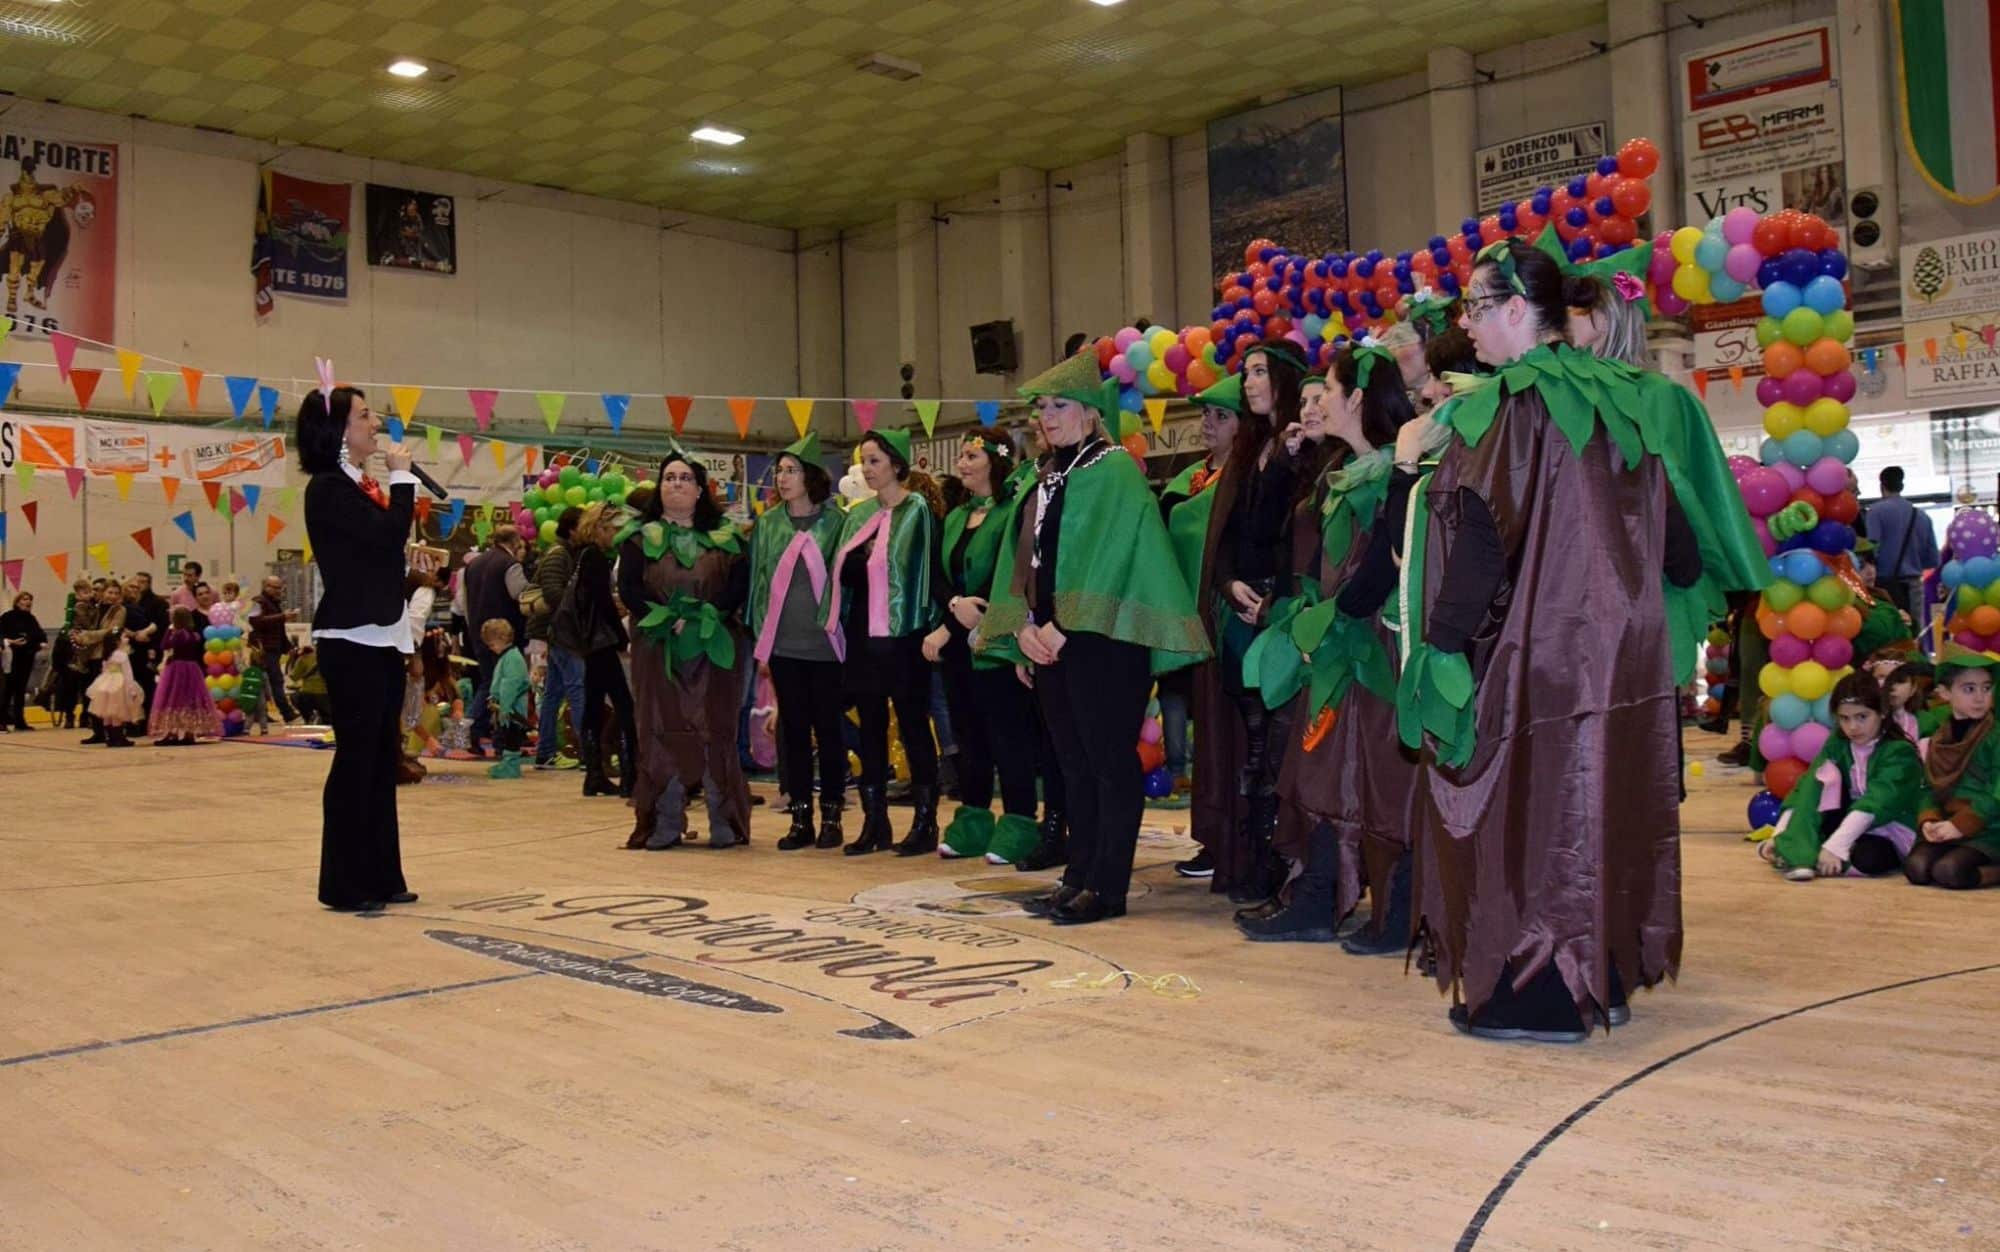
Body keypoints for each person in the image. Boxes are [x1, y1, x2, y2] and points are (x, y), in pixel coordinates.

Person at [1400, 237, 1759, 1041]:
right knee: (1614, 802)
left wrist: (1445, 646)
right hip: (1625, 651)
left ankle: (1541, 994)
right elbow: (1679, 548)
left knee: (1537, 812)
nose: (1466, 323)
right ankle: (1610, 975)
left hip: (1550, 644)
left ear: (1517, 311)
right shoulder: (1627, 394)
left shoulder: (1510, 403)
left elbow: (1485, 537)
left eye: (1474, 307)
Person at [980, 351, 1209, 924]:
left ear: (1090, 412)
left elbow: (1116, 556)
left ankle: (1108, 888)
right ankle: (1078, 874)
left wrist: (1064, 627)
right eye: (1041, 409)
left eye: (1058, 406)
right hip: (1051, 640)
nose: (1047, 417)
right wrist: (1023, 633)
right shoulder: (1047, 474)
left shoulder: (1113, 469)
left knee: (1109, 761)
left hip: (1104, 642)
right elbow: (1025, 560)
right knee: (1070, 764)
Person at [1239, 340, 1422, 944]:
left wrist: (1334, 619)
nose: (1319, 401)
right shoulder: (1346, 472)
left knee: (1386, 777)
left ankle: (1399, 908)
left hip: (1380, 646)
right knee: (1324, 770)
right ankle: (1321, 893)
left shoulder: (1402, 467)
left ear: (1359, 399)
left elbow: (1388, 566)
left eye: (1332, 391)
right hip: (1342, 641)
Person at [1188, 336, 1308, 902]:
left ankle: (1279, 867)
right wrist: (1228, 580)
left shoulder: (1304, 447)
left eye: (1260, 371)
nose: (1250, 382)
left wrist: (1274, 601)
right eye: (1247, 373)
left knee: (1277, 748)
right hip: (1241, 612)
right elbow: (1232, 533)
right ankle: (1254, 862)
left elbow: (1291, 534)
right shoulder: (1249, 452)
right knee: (1255, 746)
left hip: (1280, 614)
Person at [300, 383, 419, 914]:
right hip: (350, 639)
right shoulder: (327, 488)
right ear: (339, 430)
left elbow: (381, 548)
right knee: (355, 759)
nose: (377, 424)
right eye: (366, 416)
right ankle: (344, 882)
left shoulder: (359, 484)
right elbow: (385, 536)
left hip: (384, 634)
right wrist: (403, 478)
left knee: (380, 759)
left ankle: (382, 873)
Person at [619, 448, 752, 850]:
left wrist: (705, 615)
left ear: (699, 490)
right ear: (659, 489)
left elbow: (738, 584)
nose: (675, 484)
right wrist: (666, 616)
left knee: (715, 727)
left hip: (714, 646)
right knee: (661, 728)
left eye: (684, 478)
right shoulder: (638, 538)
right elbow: (629, 587)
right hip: (659, 647)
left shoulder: (727, 537)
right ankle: (665, 820)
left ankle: (723, 818)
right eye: (668, 478)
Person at [925, 430, 1044, 864]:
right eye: (960, 455)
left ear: (995, 461)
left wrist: (957, 623)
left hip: (999, 642)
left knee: (1007, 736)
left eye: (971, 455)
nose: (961, 463)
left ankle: (1019, 822)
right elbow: (942, 579)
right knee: (968, 735)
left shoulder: (1013, 513)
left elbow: (1006, 579)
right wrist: (951, 610)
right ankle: (973, 820)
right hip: (960, 646)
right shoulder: (956, 515)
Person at [824, 428, 944, 856]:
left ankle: (925, 821)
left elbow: (925, 571)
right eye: (864, 461)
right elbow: (845, 573)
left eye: (875, 461)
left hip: (905, 635)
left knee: (913, 724)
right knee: (870, 726)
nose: (868, 469)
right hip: (864, 635)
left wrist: (932, 624)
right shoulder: (858, 515)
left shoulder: (918, 510)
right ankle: (875, 821)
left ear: (896, 464)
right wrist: (863, 557)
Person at [747, 432, 849, 850]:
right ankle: (801, 819)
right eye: (779, 471)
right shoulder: (769, 524)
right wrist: (761, 642)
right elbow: (758, 581)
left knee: (829, 730)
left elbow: (850, 585)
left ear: (810, 477)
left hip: (826, 647)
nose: (783, 478)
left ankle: (833, 817)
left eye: (791, 470)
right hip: (785, 646)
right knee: (793, 730)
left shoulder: (838, 523)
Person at [1156, 388, 1240, 799]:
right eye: (1206, 414)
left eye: (1221, 416)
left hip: (1225, 614)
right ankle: (1181, 772)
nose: (1208, 422)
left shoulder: (1245, 479)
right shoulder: (1186, 481)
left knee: (1225, 722)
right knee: (1178, 696)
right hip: (1183, 613)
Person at [1760, 671, 1921, 881]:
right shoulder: (1838, 743)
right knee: (1819, 780)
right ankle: (1798, 850)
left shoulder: (1899, 752)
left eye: (1862, 717)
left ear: (1882, 712)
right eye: (1844, 718)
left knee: (1868, 858)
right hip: (1849, 819)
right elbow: (1808, 789)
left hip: (1889, 825)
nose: (1853, 727)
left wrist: (1836, 847)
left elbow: (1877, 802)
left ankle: (1820, 855)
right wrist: (1781, 834)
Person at [1904, 646, 2000, 890]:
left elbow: (1996, 796)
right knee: (1916, 868)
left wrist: (1960, 825)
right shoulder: (1938, 738)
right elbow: (1927, 787)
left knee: (1950, 872)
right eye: (1969, 689)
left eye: (1986, 688)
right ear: (1944, 693)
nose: (1980, 697)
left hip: (1989, 827)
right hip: (1949, 824)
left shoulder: (1995, 736)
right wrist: (1929, 820)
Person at [559, 500, 636, 801]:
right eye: (612, 529)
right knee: (625, 706)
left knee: (592, 705)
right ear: (601, 528)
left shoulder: (580, 554)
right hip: (601, 642)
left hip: (589, 642)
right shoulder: (595, 558)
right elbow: (603, 604)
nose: (615, 536)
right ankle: (630, 775)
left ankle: (594, 774)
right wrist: (621, 638)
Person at [462, 525, 529, 756]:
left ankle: (474, 728)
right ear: (514, 542)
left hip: (480, 632)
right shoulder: (510, 565)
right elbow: (520, 594)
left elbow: (465, 602)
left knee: (488, 681)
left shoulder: (473, 565)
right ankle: (499, 738)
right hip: (505, 634)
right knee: (505, 685)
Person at [532, 507, 587, 770]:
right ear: (573, 528)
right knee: (576, 690)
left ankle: (545, 751)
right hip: (561, 633)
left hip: (556, 633)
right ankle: (588, 754)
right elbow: (554, 595)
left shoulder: (566, 553)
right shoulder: (559, 555)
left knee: (553, 694)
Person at [1865, 466, 1938, 630]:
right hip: (1913, 587)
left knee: (1890, 634)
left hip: (1883, 587)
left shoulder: (1876, 512)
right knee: (1914, 632)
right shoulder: (1922, 516)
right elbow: (1932, 559)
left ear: (1882, 486)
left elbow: (1872, 547)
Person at [146, 606, 222, 746]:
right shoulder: (194, 635)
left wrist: (169, 631)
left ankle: (172, 733)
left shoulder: (178, 634)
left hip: (177, 669)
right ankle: (189, 733)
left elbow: (164, 645)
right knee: (189, 700)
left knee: (174, 700)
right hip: (192, 668)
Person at [72, 579, 125, 743]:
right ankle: (97, 730)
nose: (113, 596)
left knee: (109, 696)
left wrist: (87, 636)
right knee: (92, 695)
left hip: (108, 656)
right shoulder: (94, 608)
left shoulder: (120, 610)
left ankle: (113, 731)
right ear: (103, 593)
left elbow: (111, 631)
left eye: (116, 593)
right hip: (91, 656)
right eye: (110, 592)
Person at [246, 575, 300, 726]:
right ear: (266, 586)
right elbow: (256, 622)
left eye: (280, 588)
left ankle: (259, 714)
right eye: (275, 588)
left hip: (272, 648)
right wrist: (282, 616)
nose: (278, 591)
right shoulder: (257, 602)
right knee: (275, 682)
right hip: (263, 650)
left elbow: (278, 630)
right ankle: (287, 713)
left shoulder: (273, 603)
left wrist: (289, 647)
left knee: (262, 685)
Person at [482, 618, 530, 778]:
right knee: (506, 735)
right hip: (506, 706)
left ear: (502, 639)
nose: (492, 649)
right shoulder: (507, 656)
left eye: (492, 645)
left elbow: (510, 684)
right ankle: (507, 763)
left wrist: (505, 706)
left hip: (512, 707)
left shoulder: (512, 658)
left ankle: (512, 766)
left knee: (512, 737)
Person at [85, 639, 143, 748]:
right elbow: (128, 673)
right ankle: (119, 737)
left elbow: (104, 669)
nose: (127, 639)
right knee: (118, 710)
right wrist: (132, 689)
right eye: (124, 637)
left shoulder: (107, 654)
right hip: (119, 683)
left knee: (107, 711)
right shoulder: (122, 655)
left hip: (105, 682)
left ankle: (110, 737)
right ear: (117, 641)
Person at [1, 590, 45, 730]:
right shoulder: (7, 617)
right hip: (11, 658)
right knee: (7, 689)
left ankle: (20, 720)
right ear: (17, 601)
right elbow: (1, 635)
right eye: (24, 599)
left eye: (29, 599)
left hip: (26, 657)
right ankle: (2, 720)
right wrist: (12, 642)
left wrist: (39, 643)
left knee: (21, 690)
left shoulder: (31, 618)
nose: (27, 602)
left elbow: (40, 635)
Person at [287, 645, 330, 724]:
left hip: (308, 693)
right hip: (325, 694)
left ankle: (309, 716)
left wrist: (292, 660)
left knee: (294, 696)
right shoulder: (328, 658)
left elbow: (294, 677)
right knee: (327, 718)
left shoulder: (303, 658)